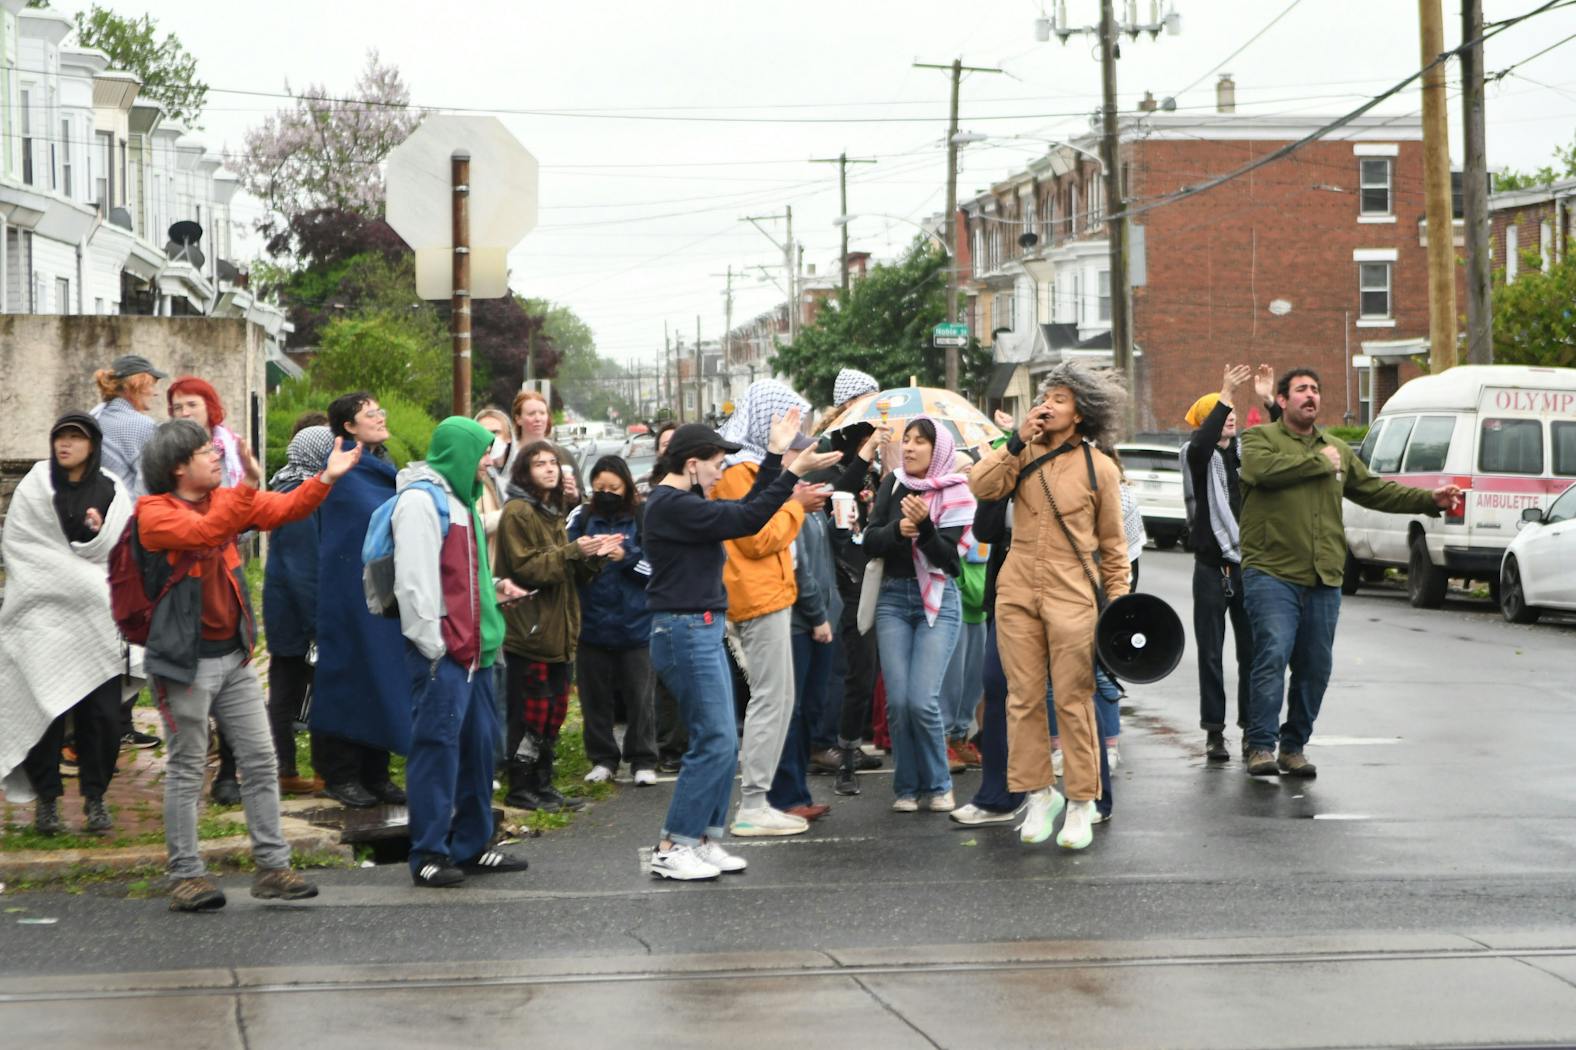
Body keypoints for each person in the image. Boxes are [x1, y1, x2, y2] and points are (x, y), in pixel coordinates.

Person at [137, 418, 359, 911]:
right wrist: (249, 488)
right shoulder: (154, 512)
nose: (217, 456)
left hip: (234, 658)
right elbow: (205, 532)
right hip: (182, 663)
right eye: (205, 451)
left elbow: (287, 508)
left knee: (261, 761)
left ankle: (273, 867)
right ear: (177, 467)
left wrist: (326, 478)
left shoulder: (225, 499)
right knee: (187, 767)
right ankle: (186, 875)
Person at [644, 417, 842, 880]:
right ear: (692, 465)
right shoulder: (669, 504)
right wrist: (791, 475)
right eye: (715, 463)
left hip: (701, 627)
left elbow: (750, 506)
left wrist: (774, 459)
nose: (721, 472)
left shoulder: (684, 500)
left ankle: (705, 838)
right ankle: (675, 844)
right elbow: (748, 518)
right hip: (684, 630)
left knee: (721, 740)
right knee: (714, 740)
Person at [1239, 368, 1460, 778]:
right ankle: (1259, 745)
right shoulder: (1258, 441)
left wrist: (1431, 499)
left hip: (1324, 577)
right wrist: (1316, 464)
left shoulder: (1336, 449)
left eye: (1316, 390)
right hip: (1271, 572)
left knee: (1316, 666)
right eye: (1302, 389)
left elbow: (1378, 491)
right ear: (1282, 401)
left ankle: (1293, 746)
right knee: (1272, 654)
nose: (1311, 396)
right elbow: (1260, 473)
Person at [969, 365, 1130, 850]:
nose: (1047, 404)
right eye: (1045, 397)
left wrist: (1118, 607)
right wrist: (1015, 441)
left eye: (1059, 398)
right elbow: (981, 487)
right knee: (1021, 698)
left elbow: (1114, 548)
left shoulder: (1099, 468)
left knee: (1074, 700)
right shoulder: (1021, 453)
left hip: (1072, 592)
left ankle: (1081, 802)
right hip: (1017, 588)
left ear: (1081, 412)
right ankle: (1039, 794)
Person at [390, 417, 529, 887]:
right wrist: (435, 645)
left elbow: (460, 576)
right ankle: (428, 852)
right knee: (436, 750)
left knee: (477, 750)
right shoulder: (420, 502)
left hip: (477, 652)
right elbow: (413, 582)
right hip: (447, 654)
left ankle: (471, 844)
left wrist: (493, 589)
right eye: (483, 452)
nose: (489, 461)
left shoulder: (461, 500)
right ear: (460, 454)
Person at [0, 413, 134, 835]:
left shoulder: (111, 489)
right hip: (43, 619)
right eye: (60, 436)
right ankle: (48, 802)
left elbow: (123, 550)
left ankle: (95, 799)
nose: (65, 445)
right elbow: (22, 546)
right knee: (44, 710)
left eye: (75, 438)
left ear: (91, 444)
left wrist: (93, 583)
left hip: (98, 623)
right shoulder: (37, 486)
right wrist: (75, 577)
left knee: (104, 718)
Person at [713, 379, 828, 837]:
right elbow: (757, 537)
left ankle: (759, 801)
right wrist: (795, 505)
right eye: (786, 421)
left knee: (776, 701)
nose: (792, 432)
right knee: (771, 701)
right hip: (755, 598)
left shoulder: (750, 466)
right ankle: (755, 803)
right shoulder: (738, 470)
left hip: (766, 595)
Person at [863, 416, 976, 814]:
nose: (909, 448)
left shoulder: (959, 492)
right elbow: (869, 540)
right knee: (897, 700)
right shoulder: (893, 483)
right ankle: (907, 787)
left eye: (919, 442)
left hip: (939, 601)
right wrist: (899, 528)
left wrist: (926, 528)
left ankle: (939, 784)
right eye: (906, 441)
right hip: (893, 597)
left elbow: (951, 561)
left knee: (922, 699)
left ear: (938, 450)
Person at [495, 441, 614, 811]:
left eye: (554, 463)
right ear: (523, 471)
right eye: (540, 464)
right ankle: (522, 787)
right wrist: (576, 550)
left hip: (558, 633)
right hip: (530, 633)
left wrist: (595, 556)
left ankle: (544, 785)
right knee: (529, 716)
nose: (550, 469)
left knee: (553, 714)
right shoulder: (518, 511)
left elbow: (566, 570)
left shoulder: (552, 512)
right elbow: (529, 567)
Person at [311, 392, 408, 809]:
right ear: (348, 427)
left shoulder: (383, 467)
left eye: (380, 410)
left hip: (380, 589)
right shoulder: (344, 472)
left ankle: (376, 771)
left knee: (383, 674)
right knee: (347, 677)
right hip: (346, 591)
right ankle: (341, 773)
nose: (381, 417)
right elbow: (349, 530)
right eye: (371, 414)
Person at [1184, 364, 1277, 761]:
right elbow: (1203, 444)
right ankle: (1214, 732)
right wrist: (1224, 392)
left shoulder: (1246, 452)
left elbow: (1280, 439)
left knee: (1251, 653)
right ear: (1208, 421)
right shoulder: (1196, 455)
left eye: (1234, 414)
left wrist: (1271, 401)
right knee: (1210, 652)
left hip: (1247, 566)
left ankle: (1249, 730)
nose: (1231, 418)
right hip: (1209, 568)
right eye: (1222, 414)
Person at [90, 354, 167, 750]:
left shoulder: (93, 417)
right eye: (152, 381)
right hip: (130, 537)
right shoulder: (141, 426)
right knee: (133, 622)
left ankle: (104, 723)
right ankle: (119, 722)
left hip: (91, 534)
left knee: (102, 627)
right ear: (137, 383)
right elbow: (150, 487)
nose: (156, 389)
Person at [766, 438, 845, 822]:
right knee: (792, 712)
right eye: (801, 452)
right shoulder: (783, 502)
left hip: (824, 618)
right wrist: (816, 616)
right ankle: (786, 795)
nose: (809, 458)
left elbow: (824, 557)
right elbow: (797, 569)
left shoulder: (809, 500)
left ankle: (798, 790)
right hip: (800, 623)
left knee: (811, 708)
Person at [569, 456, 659, 786]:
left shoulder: (642, 515)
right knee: (595, 698)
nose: (607, 493)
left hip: (635, 625)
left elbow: (657, 569)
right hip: (591, 623)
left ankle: (643, 759)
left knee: (640, 697)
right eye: (600, 487)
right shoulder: (581, 516)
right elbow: (567, 560)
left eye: (614, 488)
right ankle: (603, 758)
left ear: (627, 487)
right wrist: (585, 553)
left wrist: (626, 558)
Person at [261, 422, 333, 796]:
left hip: (285, 609)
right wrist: (317, 625)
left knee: (286, 689)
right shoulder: (299, 497)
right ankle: (299, 771)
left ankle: (286, 768)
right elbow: (304, 568)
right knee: (298, 691)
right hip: (296, 615)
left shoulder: (285, 485)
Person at [939, 451, 988, 772]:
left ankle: (959, 736)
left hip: (980, 609)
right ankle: (942, 741)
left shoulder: (982, 510)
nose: (969, 477)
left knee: (974, 682)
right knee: (950, 682)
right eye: (963, 470)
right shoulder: (951, 511)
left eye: (972, 470)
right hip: (958, 602)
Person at [167, 376, 248, 488]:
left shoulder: (234, 445)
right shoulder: (167, 449)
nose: (185, 413)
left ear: (209, 407)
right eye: (177, 408)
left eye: (192, 405)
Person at [509, 390, 580, 504]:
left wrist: (574, 496)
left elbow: (583, 500)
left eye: (542, 413)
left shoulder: (563, 454)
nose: (538, 419)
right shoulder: (509, 455)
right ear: (518, 419)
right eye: (531, 414)